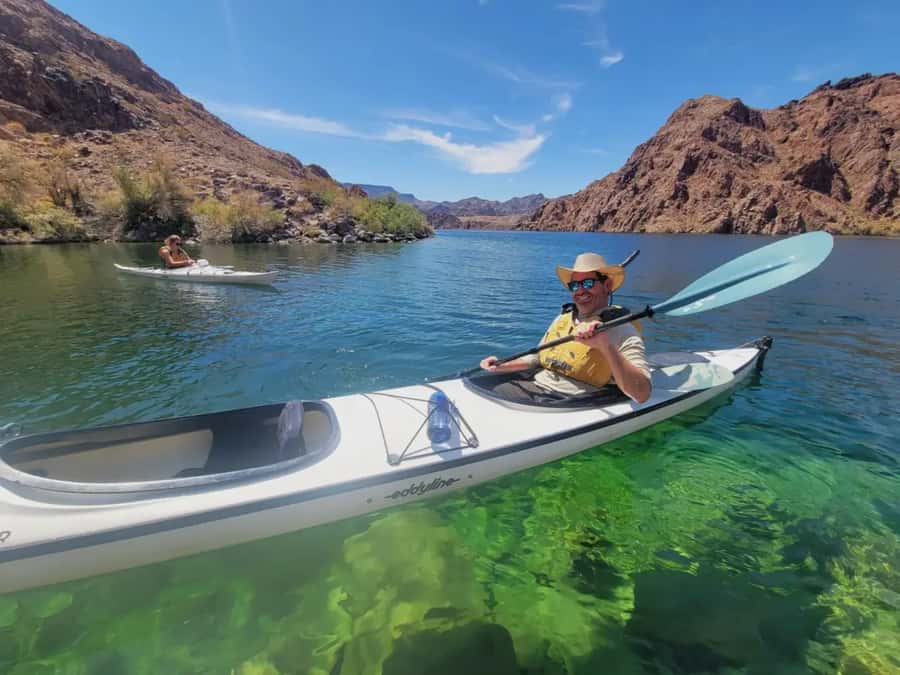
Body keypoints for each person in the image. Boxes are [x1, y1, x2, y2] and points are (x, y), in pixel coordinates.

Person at [479, 253, 652, 404]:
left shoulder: (621, 327)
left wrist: (605, 346)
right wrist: (501, 365)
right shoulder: (564, 318)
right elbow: (538, 358)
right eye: (575, 286)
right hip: (538, 388)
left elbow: (642, 394)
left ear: (607, 286)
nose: (580, 291)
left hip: (565, 400)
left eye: (588, 283)